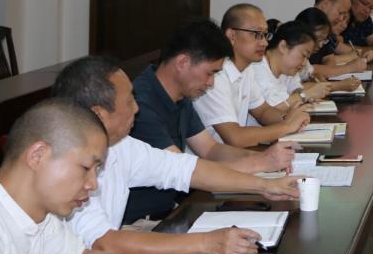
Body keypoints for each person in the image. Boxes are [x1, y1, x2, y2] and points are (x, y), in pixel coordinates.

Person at [52, 56, 300, 254]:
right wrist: (207, 243)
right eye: (129, 101)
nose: (136, 108)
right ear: (99, 114)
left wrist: (265, 185)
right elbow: (104, 243)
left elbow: (187, 170)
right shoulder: (64, 169)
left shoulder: (121, 146)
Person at [124, 20, 298, 225]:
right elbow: (186, 172)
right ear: (182, 62)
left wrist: (266, 158)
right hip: (141, 222)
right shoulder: (139, 106)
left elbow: (210, 149)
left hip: (172, 209)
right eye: (210, 73)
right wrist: (261, 169)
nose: (211, 83)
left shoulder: (181, 94)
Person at [0, 99, 177, 254]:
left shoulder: (43, 216)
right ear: (38, 156)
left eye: (96, 171)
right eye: (85, 168)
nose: (93, 185)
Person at [192, 3, 311, 148]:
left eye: (265, 35)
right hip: (214, 157)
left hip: (236, 153)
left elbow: (263, 111)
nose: (264, 43)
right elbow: (235, 137)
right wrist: (286, 126)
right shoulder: (215, 75)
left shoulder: (247, 69)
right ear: (232, 35)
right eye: (257, 34)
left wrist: (290, 118)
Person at [249, 21, 360, 110]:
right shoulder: (257, 68)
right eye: (303, 55)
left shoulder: (286, 68)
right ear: (283, 47)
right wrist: (305, 96)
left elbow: (296, 89)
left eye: (307, 58)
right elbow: (271, 111)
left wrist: (305, 96)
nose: (304, 63)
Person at [296, 6, 368, 80]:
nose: (320, 45)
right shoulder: (294, 50)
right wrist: (350, 67)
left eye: (323, 40)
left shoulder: (325, 39)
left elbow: (329, 60)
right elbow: (312, 70)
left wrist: (327, 72)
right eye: (318, 39)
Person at [310, 0, 367, 66]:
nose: (341, 19)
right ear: (325, 5)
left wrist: (364, 54)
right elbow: (314, 65)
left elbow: (329, 59)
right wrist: (351, 63)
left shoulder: (327, 31)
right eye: (340, 13)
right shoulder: (308, 25)